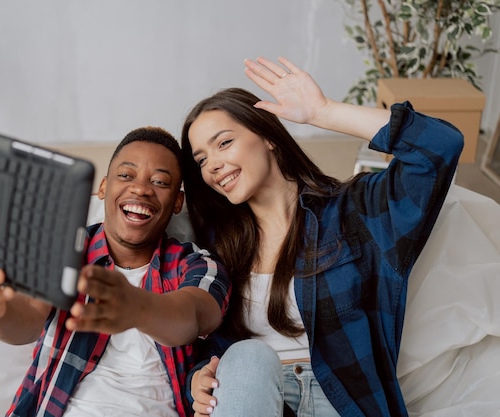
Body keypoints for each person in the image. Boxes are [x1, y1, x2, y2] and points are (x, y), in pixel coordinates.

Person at [180, 56, 463, 417]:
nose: (213, 166)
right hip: (257, 395)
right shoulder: (220, 244)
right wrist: (198, 380)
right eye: (201, 159)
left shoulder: (354, 212)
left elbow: (441, 147)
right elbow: (213, 342)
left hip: (341, 398)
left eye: (223, 143)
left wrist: (323, 112)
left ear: (267, 136)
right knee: (248, 356)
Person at [0, 126, 231, 417]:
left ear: (177, 202)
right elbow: (28, 319)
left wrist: (136, 307)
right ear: (103, 187)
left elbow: (193, 316)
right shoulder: (64, 250)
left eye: (160, 182)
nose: (140, 188)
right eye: (125, 175)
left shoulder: (198, 263)